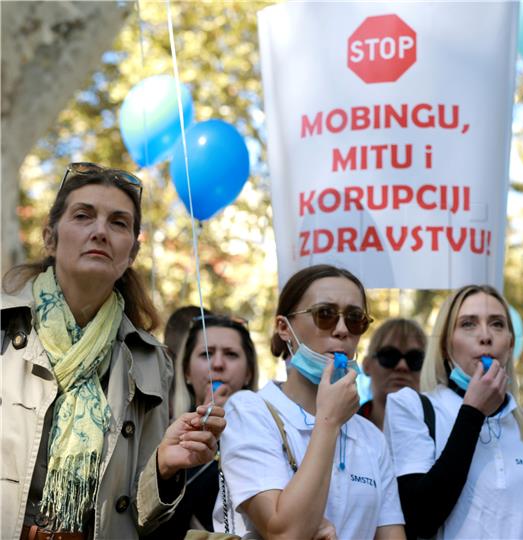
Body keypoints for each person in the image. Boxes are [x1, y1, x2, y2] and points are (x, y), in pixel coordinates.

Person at [0, 162, 225, 539]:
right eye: (83, 215)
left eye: (119, 223)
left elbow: (141, 516)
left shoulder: (152, 360)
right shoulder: (4, 328)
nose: (100, 231)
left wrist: (164, 467)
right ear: (51, 238)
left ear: (132, 253)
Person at [384, 284, 523, 539]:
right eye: (468, 324)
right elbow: (420, 519)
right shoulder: (412, 407)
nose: (485, 336)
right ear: (446, 345)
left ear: (510, 344)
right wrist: (473, 412)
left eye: (497, 324)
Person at [216, 264, 405, 539]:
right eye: (325, 314)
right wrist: (328, 422)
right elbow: (284, 532)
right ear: (284, 328)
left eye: (355, 319)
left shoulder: (371, 438)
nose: (342, 330)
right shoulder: (249, 410)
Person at [146, 313, 258, 538]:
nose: (217, 364)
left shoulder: (268, 435)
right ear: (186, 372)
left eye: (231, 354)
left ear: (248, 373)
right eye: (206, 354)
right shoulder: (161, 435)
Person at [360, 318, 427, 429]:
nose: (402, 366)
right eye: (389, 355)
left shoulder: (445, 427)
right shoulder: (342, 428)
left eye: (415, 358)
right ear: (367, 365)